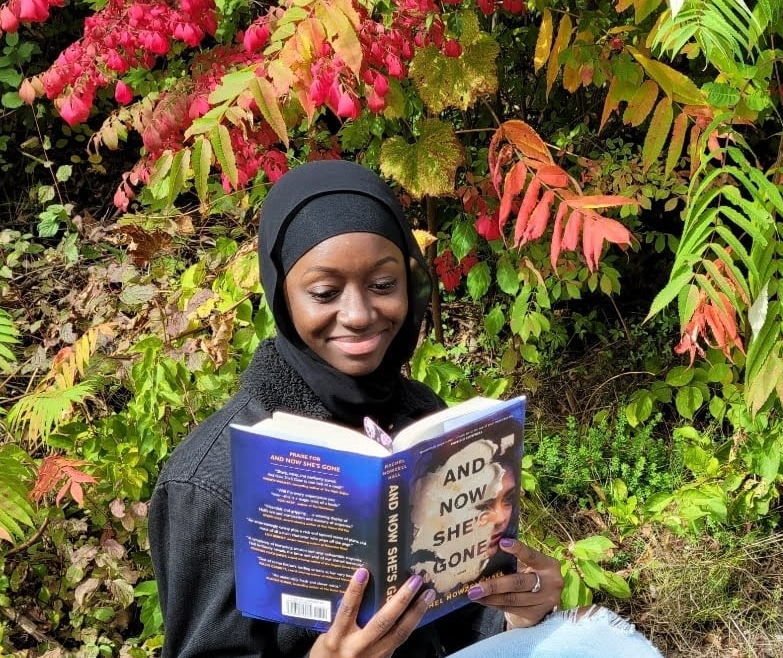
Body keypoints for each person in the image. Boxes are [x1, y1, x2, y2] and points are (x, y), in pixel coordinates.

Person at [149, 159, 663, 658]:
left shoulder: (420, 415)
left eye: (382, 285)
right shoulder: (211, 478)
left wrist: (516, 611)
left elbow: (458, 613)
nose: (358, 314)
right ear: (282, 295)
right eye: (325, 292)